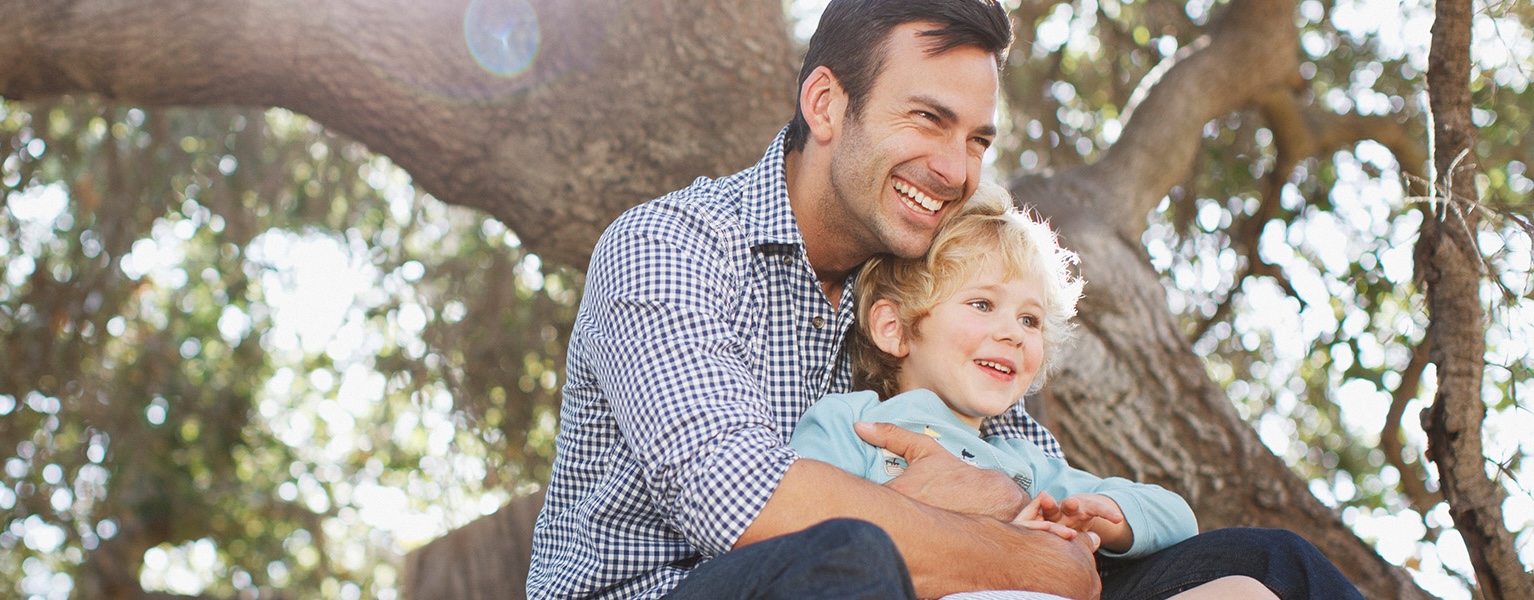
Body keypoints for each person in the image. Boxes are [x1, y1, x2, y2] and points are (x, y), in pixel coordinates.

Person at [529, 0, 1364, 598]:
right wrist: (1025, 554)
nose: (957, 169)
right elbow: (745, 503)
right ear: (827, 103)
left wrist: (1044, 522)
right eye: (928, 119)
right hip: (688, 589)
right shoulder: (672, 246)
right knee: (847, 560)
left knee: (1265, 565)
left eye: (976, 139)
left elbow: (1029, 487)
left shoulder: (935, 287)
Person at [790, 183, 1300, 600]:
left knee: (1245, 588)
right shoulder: (853, 422)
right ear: (895, 328)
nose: (1014, 333)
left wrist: (1111, 517)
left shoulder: (1025, 465)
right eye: (983, 305)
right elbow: (795, 534)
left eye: (1029, 319)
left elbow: (1178, 520)